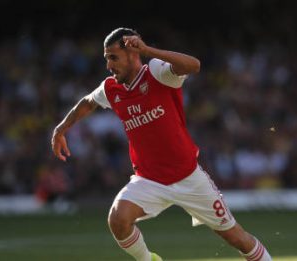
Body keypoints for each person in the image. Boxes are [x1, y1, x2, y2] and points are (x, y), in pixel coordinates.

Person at [51, 28, 272, 261]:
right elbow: (87, 102)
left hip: (189, 178)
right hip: (149, 180)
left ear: (132, 53)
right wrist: (61, 128)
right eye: (106, 58)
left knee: (237, 238)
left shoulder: (157, 72)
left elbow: (194, 65)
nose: (109, 65)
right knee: (118, 219)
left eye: (113, 57)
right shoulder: (110, 89)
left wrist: (147, 50)